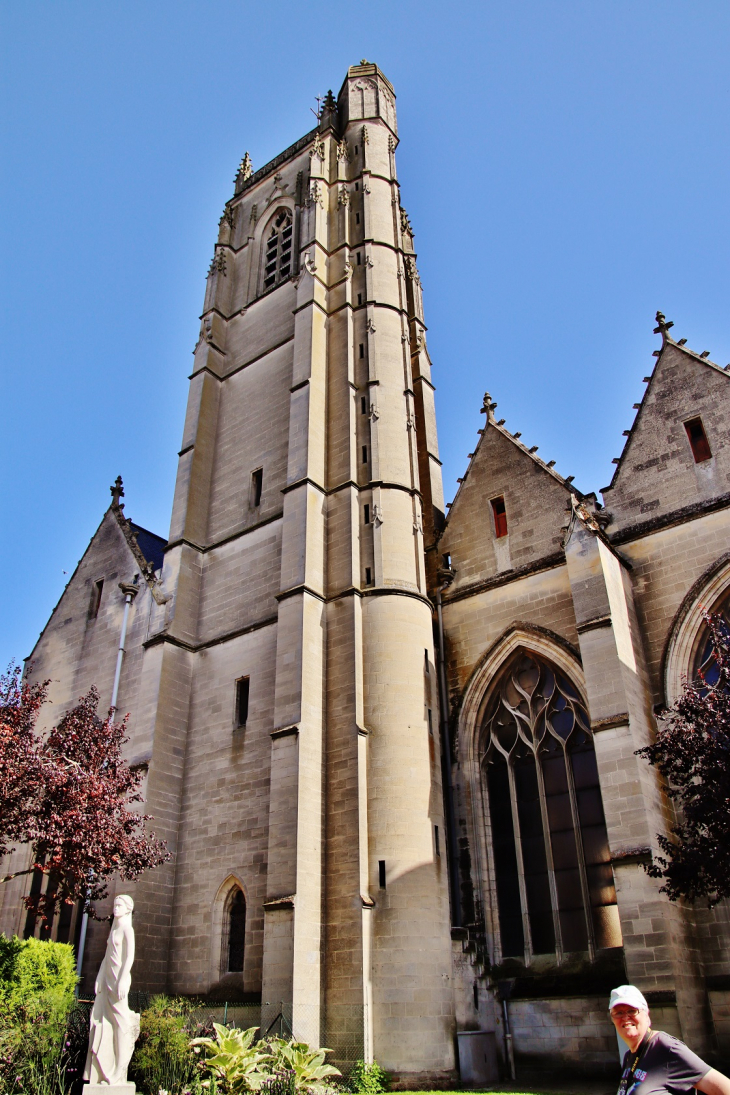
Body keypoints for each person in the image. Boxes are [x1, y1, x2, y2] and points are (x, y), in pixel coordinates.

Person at [610, 984, 730, 1095]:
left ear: (647, 1016)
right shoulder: (629, 1057)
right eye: (618, 1013)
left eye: (632, 1011)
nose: (625, 1017)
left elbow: (726, 1088)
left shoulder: (667, 1048)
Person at [83, 893, 141, 1086]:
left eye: (119, 905)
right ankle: (103, 1066)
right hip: (108, 978)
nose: (115, 908)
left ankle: (119, 1069)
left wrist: (124, 979)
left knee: (121, 1022)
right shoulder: (114, 929)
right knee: (103, 1020)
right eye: (115, 904)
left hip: (119, 980)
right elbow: (107, 956)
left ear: (128, 909)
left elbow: (129, 957)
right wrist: (99, 977)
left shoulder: (127, 929)